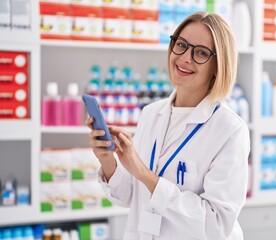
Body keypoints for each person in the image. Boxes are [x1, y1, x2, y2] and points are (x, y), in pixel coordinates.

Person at [86, 11, 250, 240]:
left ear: (218, 66)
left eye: (201, 52)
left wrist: (144, 174)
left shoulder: (230, 130)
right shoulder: (151, 114)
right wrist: (108, 161)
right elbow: (129, 197)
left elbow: (216, 224)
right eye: (181, 44)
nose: (185, 57)